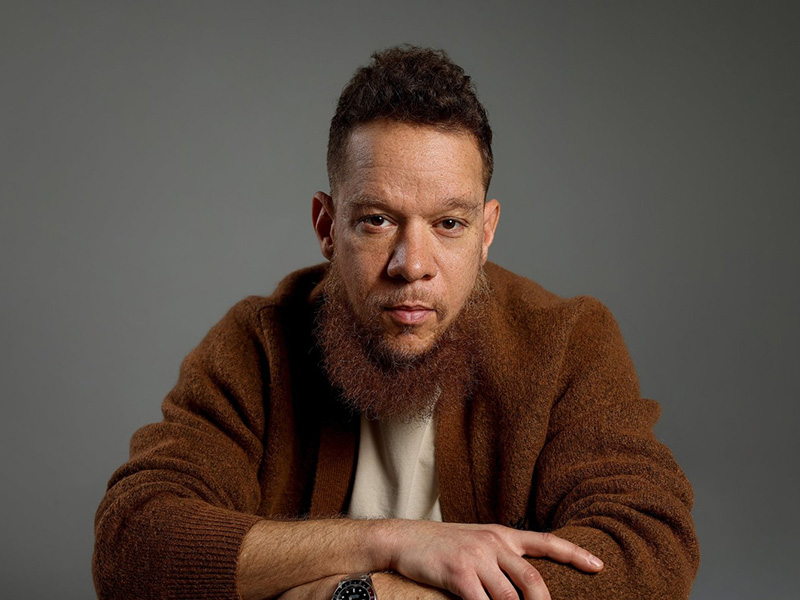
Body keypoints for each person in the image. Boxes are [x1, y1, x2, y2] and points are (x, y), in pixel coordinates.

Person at [93, 45, 699, 600]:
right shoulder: (260, 344)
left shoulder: (567, 343)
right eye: (378, 220)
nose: (412, 266)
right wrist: (392, 542)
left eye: (449, 225)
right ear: (328, 227)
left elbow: (650, 548)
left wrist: (369, 597)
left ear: (486, 233)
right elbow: (133, 542)